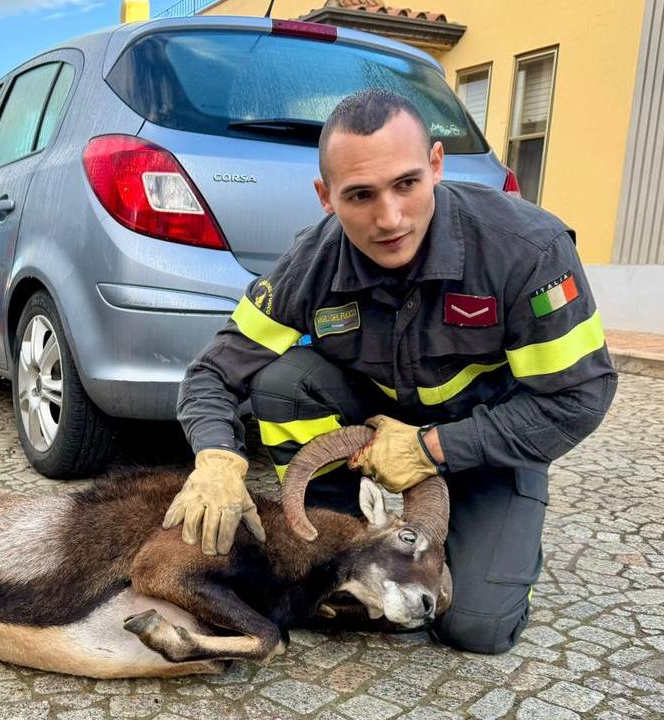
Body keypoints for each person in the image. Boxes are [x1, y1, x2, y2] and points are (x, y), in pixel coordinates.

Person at [165, 89, 616, 655]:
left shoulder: (526, 251)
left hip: (487, 445)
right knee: (284, 381)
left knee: (474, 627)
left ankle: (490, 541)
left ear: (435, 165)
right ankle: (342, 536)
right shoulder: (311, 264)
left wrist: (432, 448)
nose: (390, 217)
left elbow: (578, 399)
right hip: (373, 436)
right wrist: (216, 458)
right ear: (326, 198)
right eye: (360, 195)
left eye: (406, 183)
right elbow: (212, 374)